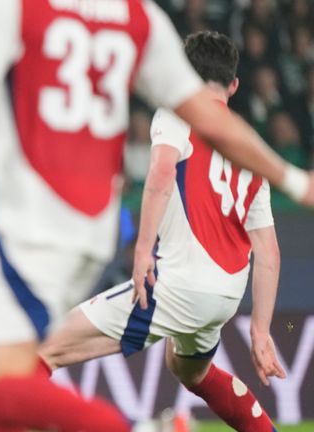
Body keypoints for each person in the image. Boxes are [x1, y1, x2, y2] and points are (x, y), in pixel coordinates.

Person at [0, 2, 314, 431]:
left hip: (31, 221)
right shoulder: (140, 16)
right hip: (98, 231)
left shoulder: (15, 7)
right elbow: (215, 123)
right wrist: (296, 181)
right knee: (173, 368)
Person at [41, 30, 285, 432]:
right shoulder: (251, 144)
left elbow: (160, 174)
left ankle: (148, 429)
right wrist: (260, 329)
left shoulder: (178, 113)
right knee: (188, 369)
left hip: (178, 285)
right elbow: (269, 253)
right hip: (225, 296)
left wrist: (142, 252)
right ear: (235, 85)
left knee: (45, 349)